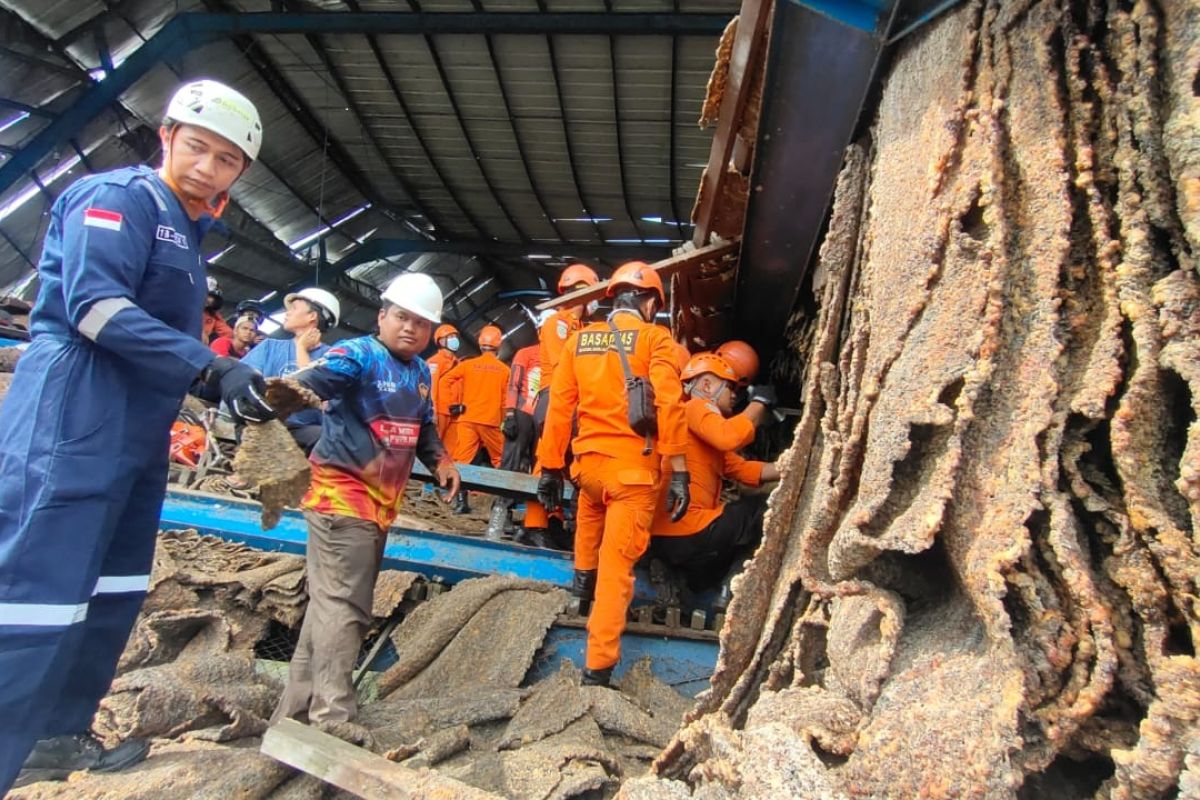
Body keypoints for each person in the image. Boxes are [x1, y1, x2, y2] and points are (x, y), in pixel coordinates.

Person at [0, 79, 275, 793]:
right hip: (77, 411)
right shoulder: (119, 198)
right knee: (38, 590)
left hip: (138, 429)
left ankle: (56, 735)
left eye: (226, 160)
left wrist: (263, 403)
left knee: (111, 591)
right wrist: (210, 369)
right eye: (198, 147)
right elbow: (95, 309)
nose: (207, 168)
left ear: (239, 174)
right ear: (167, 136)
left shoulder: (188, 236)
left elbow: (169, 342)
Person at [271, 272, 460, 727]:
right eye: (401, 317)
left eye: (421, 323)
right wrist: (280, 396)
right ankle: (332, 716)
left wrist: (441, 461)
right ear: (382, 316)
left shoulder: (418, 372)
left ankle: (293, 714)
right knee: (347, 608)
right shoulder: (358, 355)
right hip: (341, 498)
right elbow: (318, 380)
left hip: (377, 507)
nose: (410, 328)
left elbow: (425, 426)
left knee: (329, 606)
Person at [536, 261, 690, 687]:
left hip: (588, 469)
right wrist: (678, 468)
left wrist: (550, 467)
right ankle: (598, 668)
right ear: (649, 302)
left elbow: (558, 410)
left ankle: (578, 592)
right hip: (633, 475)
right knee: (617, 569)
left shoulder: (580, 342)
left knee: (589, 512)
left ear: (613, 298)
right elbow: (671, 404)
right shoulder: (655, 338)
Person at [649, 352, 779, 610]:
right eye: (730, 387)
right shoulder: (694, 407)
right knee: (768, 509)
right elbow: (728, 436)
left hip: (666, 539)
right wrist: (759, 403)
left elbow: (743, 469)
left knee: (705, 571)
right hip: (691, 531)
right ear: (706, 385)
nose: (734, 395)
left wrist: (790, 465)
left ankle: (678, 579)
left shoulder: (697, 433)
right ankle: (731, 589)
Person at [523, 264, 601, 541]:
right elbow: (561, 367)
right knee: (548, 459)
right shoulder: (558, 322)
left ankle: (552, 519)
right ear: (583, 291)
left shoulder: (581, 327)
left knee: (565, 463)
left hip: (572, 401)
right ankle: (534, 525)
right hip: (555, 396)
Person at [240, 287, 340, 453]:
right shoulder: (269, 347)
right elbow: (243, 381)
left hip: (301, 431)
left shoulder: (332, 357)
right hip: (261, 424)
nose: (287, 313)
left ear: (312, 316)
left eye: (294, 309)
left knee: (326, 438)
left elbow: (318, 397)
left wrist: (301, 349)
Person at [440, 324, 510, 512]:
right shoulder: (504, 370)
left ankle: (461, 503)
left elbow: (444, 381)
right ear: (499, 345)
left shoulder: (468, 365)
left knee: (462, 461)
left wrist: (452, 405)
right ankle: (502, 506)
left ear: (480, 344)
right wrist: (503, 420)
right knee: (501, 460)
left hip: (467, 419)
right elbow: (505, 401)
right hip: (490, 422)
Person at [486, 329, 543, 542]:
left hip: (544, 417)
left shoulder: (561, 357)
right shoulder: (527, 353)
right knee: (511, 462)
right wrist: (510, 412)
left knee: (540, 466)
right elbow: (515, 382)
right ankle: (501, 513)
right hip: (522, 413)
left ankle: (535, 522)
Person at [426, 323, 461, 443]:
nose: (454, 340)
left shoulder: (458, 362)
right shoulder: (435, 362)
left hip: (454, 412)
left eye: (455, 337)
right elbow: (431, 387)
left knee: (452, 448)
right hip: (440, 411)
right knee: (434, 444)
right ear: (441, 342)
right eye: (450, 337)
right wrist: (432, 411)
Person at [201, 276, 233, 344]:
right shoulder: (182, 303)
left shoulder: (213, 315)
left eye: (211, 296)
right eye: (203, 293)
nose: (207, 298)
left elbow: (228, 334)